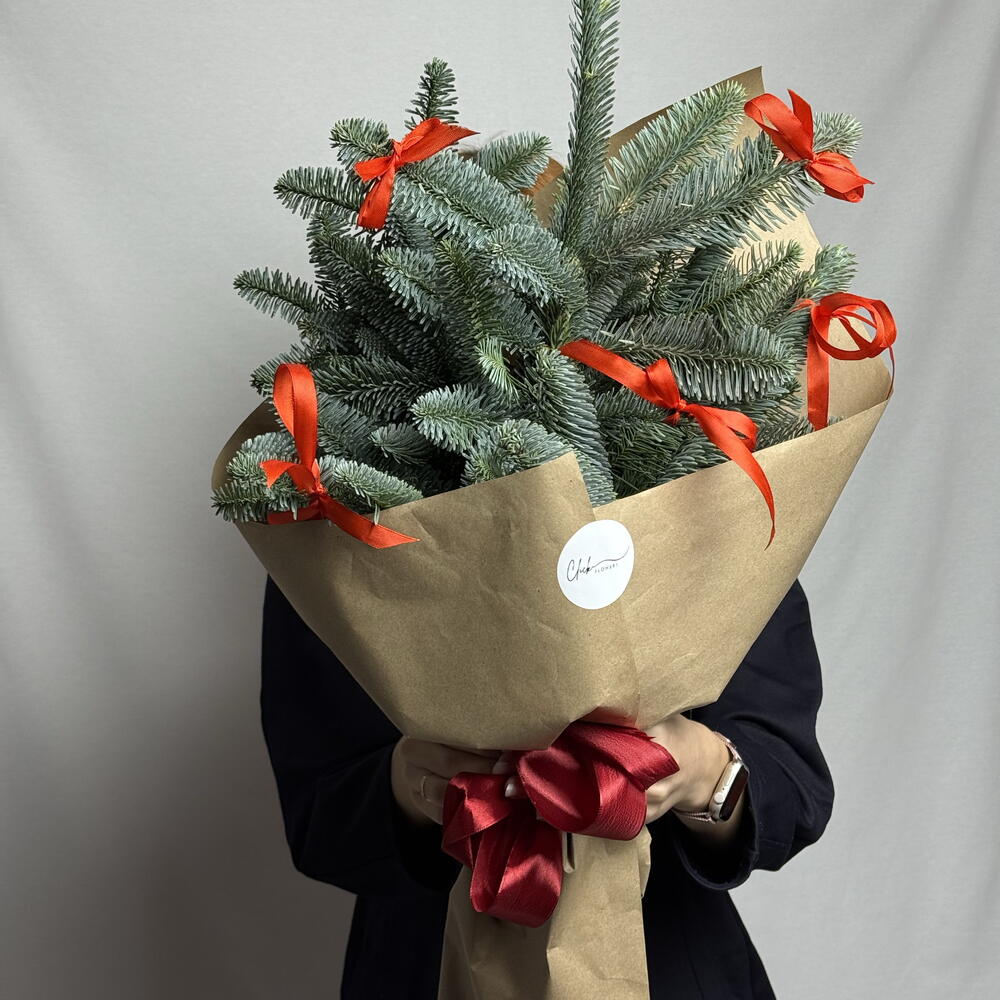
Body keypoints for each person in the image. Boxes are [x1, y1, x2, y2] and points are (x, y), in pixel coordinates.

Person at [260, 574, 834, 999]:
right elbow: (316, 818)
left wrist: (701, 769)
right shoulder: (327, 499)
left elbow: (793, 784)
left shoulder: (705, 481)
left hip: (665, 957)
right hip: (425, 960)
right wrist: (409, 786)